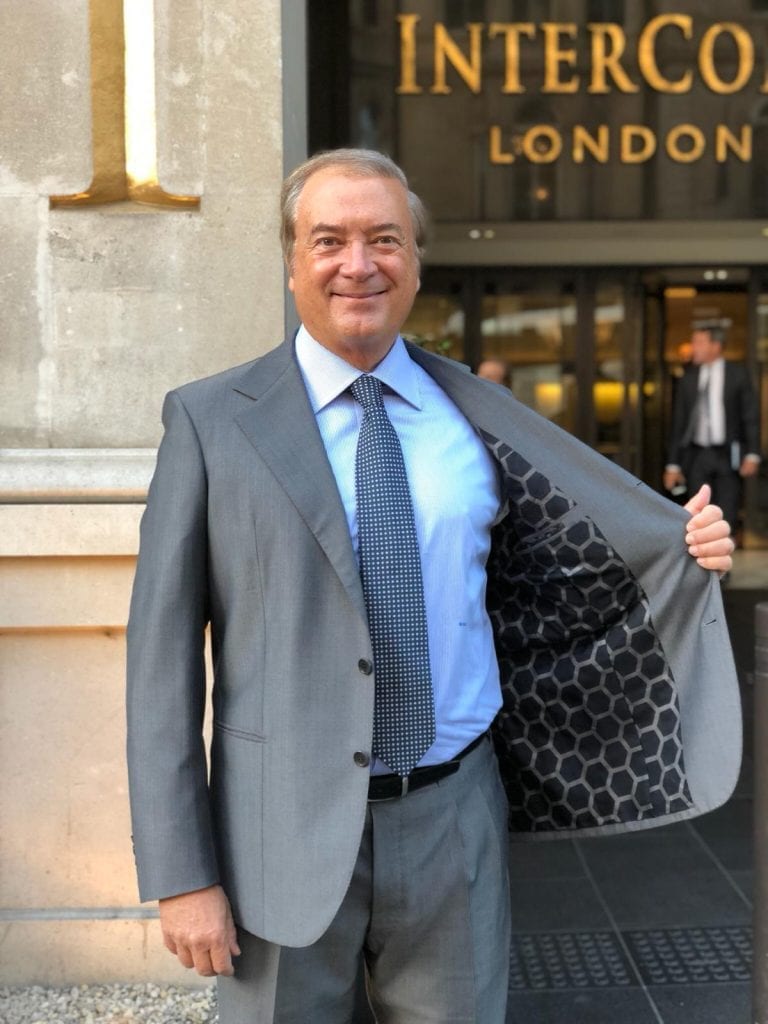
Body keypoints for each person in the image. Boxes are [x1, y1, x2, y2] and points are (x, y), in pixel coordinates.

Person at [127, 149, 738, 1024]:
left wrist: (688, 544)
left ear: (416, 261)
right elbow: (159, 667)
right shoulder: (211, 420)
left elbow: (577, 565)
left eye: (385, 239)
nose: (358, 264)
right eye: (328, 240)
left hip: (454, 817)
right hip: (276, 835)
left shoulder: (481, 418)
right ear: (292, 262)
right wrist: (184, 875)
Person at [664, 322, 761, 533]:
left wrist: (752, 453)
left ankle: (724, 552)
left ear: (716, 346)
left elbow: (750, 416)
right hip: (696, 455)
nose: (693, 347)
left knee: (728, 508)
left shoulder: (738, 374)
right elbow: (679, 423)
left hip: (728, 454)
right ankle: (700, 552)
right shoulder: (688, 378)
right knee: (697, 509)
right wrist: (673, 464)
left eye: (699, 342)